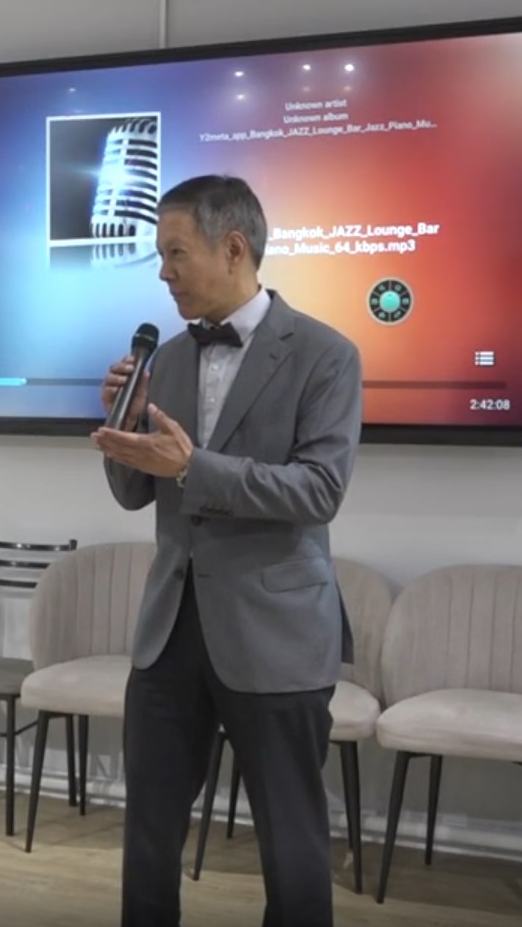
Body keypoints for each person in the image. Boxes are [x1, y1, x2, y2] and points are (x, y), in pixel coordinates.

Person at [91, 174, 363, 927]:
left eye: (176, 253)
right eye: (159, 255)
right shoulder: (171, 358)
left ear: (234, 248)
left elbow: (318, 492)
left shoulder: (325, 354)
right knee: (149, 833)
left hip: (275, 633)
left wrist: (190, 467)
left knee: (290, 836)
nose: (163, 272)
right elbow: (134, 493)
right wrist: (123, 427)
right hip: (170, 630)